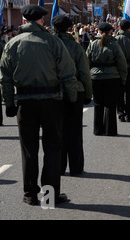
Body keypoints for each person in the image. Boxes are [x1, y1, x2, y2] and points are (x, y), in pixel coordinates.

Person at [0, 4, 77, 205]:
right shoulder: (53, 42)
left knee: (28, 150)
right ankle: (50, 195)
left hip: (25, 102)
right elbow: (68, 73)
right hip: (51, 101)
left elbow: (4, 78)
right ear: (42, 20)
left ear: (24, 21)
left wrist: (8, 103)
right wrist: (72, 99)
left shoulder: (13, 44)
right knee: (52, 149)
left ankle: (30, 194)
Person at [52, 15, 93, 177]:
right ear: (69, 28)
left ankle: (59, 166)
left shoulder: (48, 44)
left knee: (57, 132)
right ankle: (76, 167)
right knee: (75, 131)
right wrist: (89, 94)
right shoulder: (75, 47)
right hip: (75, 89)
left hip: (54, 91)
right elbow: (84, 72)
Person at [86, 22, 127, 136]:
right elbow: (122, 63)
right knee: (110, 104)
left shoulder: (93, 44)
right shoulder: (114, 44)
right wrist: (123, 79)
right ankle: (110, 130)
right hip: (112, 77)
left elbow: (86, 61)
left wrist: (88, 76)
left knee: (98, 104)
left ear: (98, 31)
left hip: (96, 77)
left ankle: (97, 129)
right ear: (110, 31)